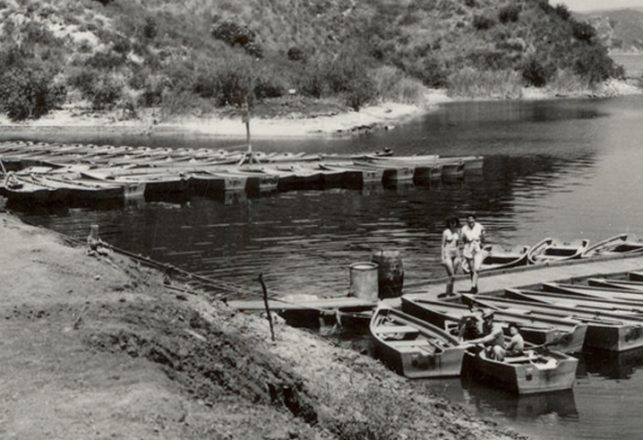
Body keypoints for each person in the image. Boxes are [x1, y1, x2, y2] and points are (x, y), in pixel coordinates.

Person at [461, 214, 485, 294]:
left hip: (477, 247)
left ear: (475, 220)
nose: (471, 221)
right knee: (471, 269)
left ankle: (473, 286)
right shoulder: (464, 229)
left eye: (472, 220)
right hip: (469, 247)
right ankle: (474, 286)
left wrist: (481, 243)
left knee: (477, 269)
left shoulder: (479, 226)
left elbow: (483, 236)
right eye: (469, 220)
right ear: (467, 221)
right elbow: (463, 239)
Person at [441, 217, 461, 295]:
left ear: (456, 223)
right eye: (451, 222)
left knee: (453, 276)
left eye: (454, 222)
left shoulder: (457, 232)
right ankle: (447, 294)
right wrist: (442, 257)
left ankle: (450, 292)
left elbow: (458, 245)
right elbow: (443, 245)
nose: (453, 224)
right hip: (448, 255)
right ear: (449, 223)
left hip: (455, 254)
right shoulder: (446, 232)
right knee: (451, 275)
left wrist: (459, 257)